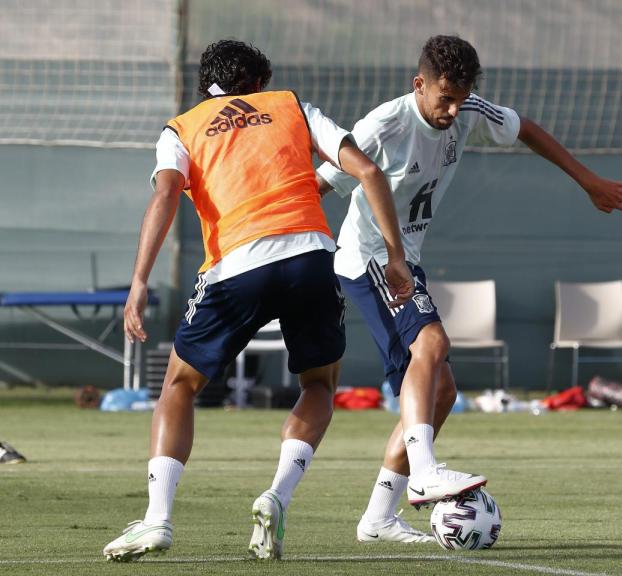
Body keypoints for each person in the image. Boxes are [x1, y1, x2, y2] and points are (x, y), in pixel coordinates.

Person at [318, 35, 622, 543]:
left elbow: (526, 130)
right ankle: (425, 471)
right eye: (443, 97)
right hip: (371, 261)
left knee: (442, 392)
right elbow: (322, 182)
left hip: (408, 261)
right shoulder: (383, 126)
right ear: (419, 85)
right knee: (432, 345)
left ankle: (379, 518)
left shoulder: (468, 109)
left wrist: (587, 181)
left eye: (461, 96)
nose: (453, 109)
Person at [102, 39, 413, 562]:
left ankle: (157, 520)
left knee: (180, 383)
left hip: (234, 268)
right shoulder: (291, 106)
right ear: (258, 82)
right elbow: (370, 172)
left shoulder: (181, 127)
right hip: (310, 256)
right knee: (319, 384)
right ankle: (276, 496)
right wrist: (397, 255)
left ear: (208, 85)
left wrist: (138, 282)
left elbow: (164, 195)